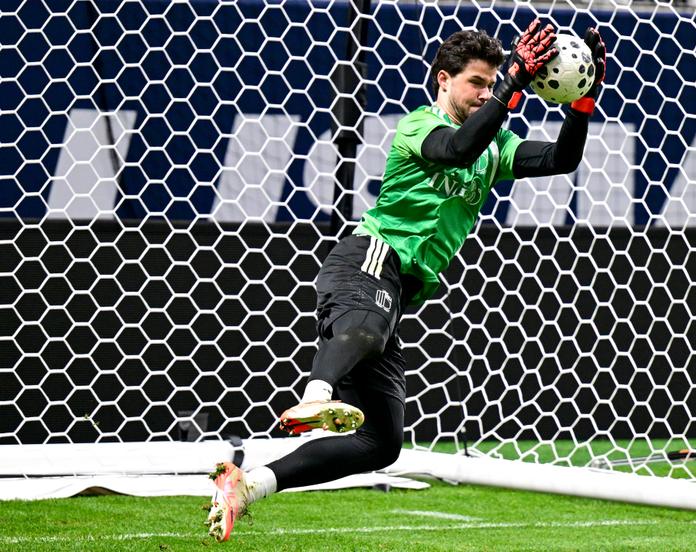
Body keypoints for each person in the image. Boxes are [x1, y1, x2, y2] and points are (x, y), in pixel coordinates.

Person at [205, 19, 606, 542]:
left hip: (397, 290)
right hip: (370, 256)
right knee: (367, 330)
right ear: (443, 80)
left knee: (379, 443)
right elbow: (458, 148)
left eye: (490, 84)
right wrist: (509, 83)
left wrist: (583, 99)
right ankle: (315, 395)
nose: (485, 92)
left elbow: (562, 157)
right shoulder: (419, 125)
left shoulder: (496, 143)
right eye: (476, 84)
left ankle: (246, 486)